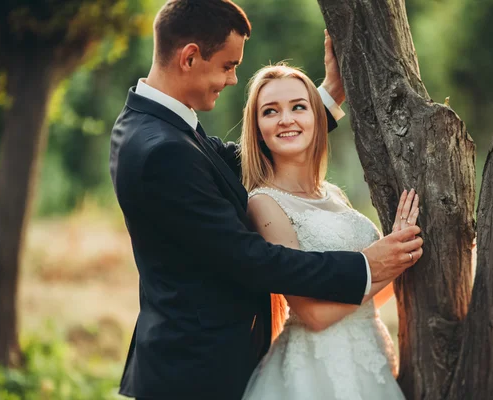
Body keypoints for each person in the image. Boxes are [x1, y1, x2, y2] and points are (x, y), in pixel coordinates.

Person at [108, 1, 423, 399]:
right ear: (190, 57)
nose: (234, 79)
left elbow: (250, 155)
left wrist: (325, 97)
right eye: (228, 65)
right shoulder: (161, 148)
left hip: (207, 364)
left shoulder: (158, 127)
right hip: (195, 376)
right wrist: (366, 264)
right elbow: (248, 257)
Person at [239, 64, 416, 400]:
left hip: (367, 356)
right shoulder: (264, 204)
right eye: (270, 111)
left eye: (298, 107)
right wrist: (388, 263)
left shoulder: (333, 194)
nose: (286, 119)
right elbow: (314, 315)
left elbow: (372, 295)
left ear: (317, 118)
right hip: (315, 368)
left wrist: (399, 254)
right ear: (258, 129)